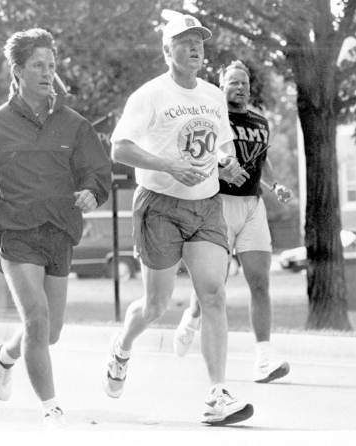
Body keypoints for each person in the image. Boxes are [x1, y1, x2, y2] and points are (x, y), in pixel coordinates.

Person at [0, 28, 111, 427]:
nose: (47, 72)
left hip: (59, 232)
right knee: (36, 318)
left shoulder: (74, 125)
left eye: (51, 65)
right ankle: (51, 409)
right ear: (17, 71)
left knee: (49, 332)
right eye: (38, 65)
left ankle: (2, 356)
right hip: (16, 232)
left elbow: (96, 171)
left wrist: (92, 193)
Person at [105, 12, 254, 426]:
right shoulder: (149, 95)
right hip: (160, 204)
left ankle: (217, 393)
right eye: (185, 42)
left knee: (214, 295)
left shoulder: (211, 96)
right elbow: (120, 148)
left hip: (205, 205)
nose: (195, 49)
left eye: (200, 43)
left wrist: (227, 164)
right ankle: (122, 347)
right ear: (167, 50)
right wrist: (168, 165)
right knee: (156, 305)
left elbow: (222, 147)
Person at [173, 60, 293, 384]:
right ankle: (191, 317)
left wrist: (275, 185)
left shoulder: (260, 122)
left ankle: (264, 361)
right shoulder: (212, 117)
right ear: (222, 84)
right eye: (233, 82)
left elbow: (261, 164)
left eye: (244, 82)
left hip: (253, 206)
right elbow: (197, 154)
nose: (239, 87)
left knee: (260, 282)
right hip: (219, 204)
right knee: (215, 282)